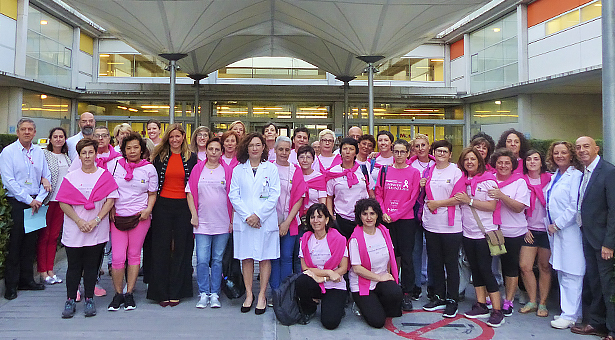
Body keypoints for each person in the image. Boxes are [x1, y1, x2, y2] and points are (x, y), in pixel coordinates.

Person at [56, 138, 118, 318]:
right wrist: (79, 221)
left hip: (96, 228)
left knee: (92, 266)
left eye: (91, 152)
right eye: (84, 153)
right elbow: (63, 203)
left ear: (96, 154)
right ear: (79, 156)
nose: (88, 156)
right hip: (75, 228)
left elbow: (110, 199)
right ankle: (70, 299)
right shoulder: (71, 176)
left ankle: (89, 298)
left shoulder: (104, 175)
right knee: (74, 266)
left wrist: (96, 220)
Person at [229, 132, 280, 315]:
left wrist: (258, 215)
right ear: (246, 148)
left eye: (258, 145)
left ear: (264, 148)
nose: (255, 148)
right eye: (251, 145)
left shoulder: (271, 169)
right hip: (245, 221)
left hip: (264, 221)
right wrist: (247, 216)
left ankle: (262, 296)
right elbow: (233, 195)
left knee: (265, 257)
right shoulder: (238, 169)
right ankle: (249, 294)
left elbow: (274, 195)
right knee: (247, 257)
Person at [147, 123, 198, 307]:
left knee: (181, 249)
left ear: (183, 137)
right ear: (167, 138)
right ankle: (160, 291)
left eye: (178, 136)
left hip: (183, 206)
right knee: (160, 248)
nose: (175, 140)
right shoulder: (159, 157)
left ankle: (178, 289)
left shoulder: (191, 158)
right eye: (171, 137)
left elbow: (194, 185)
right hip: (162, 205)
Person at [0, 118, 51, 300]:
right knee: (15, 244)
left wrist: (38, 199)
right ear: (18, 132)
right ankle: (11, 286)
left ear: (35, 132)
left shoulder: (39, 152)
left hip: (36, 203)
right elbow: (9, 181)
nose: (27, 132)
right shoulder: (9, 152)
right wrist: (29, 200)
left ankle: (27, 280)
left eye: (30, 129)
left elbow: (47, 176)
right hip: (18, 202)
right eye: (23, 129)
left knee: (30, 243)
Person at [106, 132, 157, 311]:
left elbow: (152, 193)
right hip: (118, 216)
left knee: (134, 255)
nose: (132, 151)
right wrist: (111, 208)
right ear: (124, 150)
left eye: (136, 147)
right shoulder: (114, 166)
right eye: (129, 148)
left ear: (142, 150)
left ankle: (129, 293)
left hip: (140, 217)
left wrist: (148, 210)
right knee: (118, 257)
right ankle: (118, 293)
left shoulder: (149, 168)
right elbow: (109, 190)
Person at [453, 147, 504, 328]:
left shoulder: (488, 181)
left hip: (485, 233)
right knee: (475, 269)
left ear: (479, 161)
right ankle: (480, 304)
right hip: (468, 233)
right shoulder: (463, 181)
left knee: (485, 270)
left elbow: (491, 206)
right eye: (466, 159)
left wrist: (470, 201)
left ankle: (497, 310)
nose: (469, 162)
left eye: (473, 159)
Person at [571, 136, 615, 340]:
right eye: (578, 147)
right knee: (595, 283)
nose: (582, 150)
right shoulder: (584, 172)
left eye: (586, 146)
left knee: (608, 286)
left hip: (603, 242)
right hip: (588, 238)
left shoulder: (608, 171)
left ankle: (612, 330)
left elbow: (614, 210)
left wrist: (609, 243)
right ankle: (597, 323)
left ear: (597, 148)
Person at [187, 137, 233, 309]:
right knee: (202, 259)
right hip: (202, 223)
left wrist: (232, 221)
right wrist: (194, 215)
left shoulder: (227, 170)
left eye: (217, 149)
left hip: (222, 222)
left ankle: (215, 293)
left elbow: (233, 197)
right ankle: (203, 293)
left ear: (222, 152)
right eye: (211, 149)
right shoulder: (198, 169)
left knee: (217, 260)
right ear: (205, 151)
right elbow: (190, 193)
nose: (214, 152)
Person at [374, 139, 420, 312]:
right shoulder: (385, 170)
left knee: (407, 258)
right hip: (386, 219)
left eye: (403, 152)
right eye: (396, 151)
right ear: (392, 153)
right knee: (388, 257)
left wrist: (395, 215)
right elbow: (379, 193)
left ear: (408, 153)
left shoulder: (414, 172)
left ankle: (407, 293)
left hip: (405, 220)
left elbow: (413, 197)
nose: (399, 155)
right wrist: (384, 212)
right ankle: (390, 288)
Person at [420, 140, 464, 318]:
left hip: (451, 226)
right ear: (434, 152)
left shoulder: (456, 171)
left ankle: (452, 299)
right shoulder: (429, 170)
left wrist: (438, 203)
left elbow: (459, 197)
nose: (441, 154)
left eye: (445, 151)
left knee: (451, 264)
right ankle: (438, 296)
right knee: (435, 262)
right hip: (431, 223)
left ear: (450, 154)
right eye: (438, 151)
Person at [543, 141, 584, 330]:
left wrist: (558, 225)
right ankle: (567, 310)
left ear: (571, 155)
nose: (559, 156)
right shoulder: (555, 176)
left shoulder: (576, 176)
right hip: (556, 232)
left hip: (569, 230)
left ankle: (571, 315)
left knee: (572, 272)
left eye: (564, 152)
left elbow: (575, 206)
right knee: (562, 270)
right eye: (556, 153)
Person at [487, 148, 530, 317]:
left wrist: (501, 196)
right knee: (488, 266)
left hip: (513, 231)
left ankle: (508, 300)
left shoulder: (520, 182)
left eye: (507, 163)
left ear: (513, 165)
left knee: (509, 267)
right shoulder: (489, 180)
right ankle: (491, 296)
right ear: (494, 164)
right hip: (492, 230)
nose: (503, 166)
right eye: (500, 162)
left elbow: (519, 208)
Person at [349, 198, 402, 328]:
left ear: (377, 215)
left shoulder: (383, 231)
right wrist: (380, 277)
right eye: (365, 213)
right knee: (377, 322)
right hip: (362, 284)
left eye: (372, 213)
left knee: (396, 296)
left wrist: (388, 277)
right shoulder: (355, 238)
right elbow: (357, 269)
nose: (368, 217)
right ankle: (362, 303)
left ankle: (375, 301)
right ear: (359, 216)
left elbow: (389, 257)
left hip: (381, 279)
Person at [296, 203, 348, 329]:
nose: (316, 220)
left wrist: (324, 278)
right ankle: (310, 308)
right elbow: (305, 268)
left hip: (335, 283)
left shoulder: (339, 239)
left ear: (327, 219)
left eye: (319, 217)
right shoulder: (305, 239)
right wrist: (329, 273)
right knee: (301, 281)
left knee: (330, 323)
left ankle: (337, 306)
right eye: (312, 217)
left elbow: (343, 268)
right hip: (317, 281)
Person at [270, 136, 306, 290]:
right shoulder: (268, 168)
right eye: (280, 149)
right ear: (275, 150)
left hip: (290, 222)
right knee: (273, 258)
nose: (284, 153)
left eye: (286, 149)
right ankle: (274, 290)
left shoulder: (295, 170)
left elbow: (299, 198)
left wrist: (286, 223)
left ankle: (284, 294)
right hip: (270, 222)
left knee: (286, 257)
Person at [519, 150, 552, 317]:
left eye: (536, 159)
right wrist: (524, 227)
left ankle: (543, 303)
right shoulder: (521, 180)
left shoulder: (551, 179)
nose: (532, 162)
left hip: (547, 230)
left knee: (544, 267)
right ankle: (532, 300)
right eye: (529, 159)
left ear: (541, 162)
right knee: (525, 266)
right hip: (528, 229)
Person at [38, 127, 71, 285]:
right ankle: (42, 271)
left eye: (61, 136)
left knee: (54, 237)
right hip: (47, 201)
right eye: (55, 136)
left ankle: (51, 270)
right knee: (44, 236)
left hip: (62, 202)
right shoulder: (44, 155)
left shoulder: (66, 157)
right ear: (50, 139)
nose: (58, 139)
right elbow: (39, 173)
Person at [326, 137, 372, 238]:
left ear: (356, 152)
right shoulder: (333, 172)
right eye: (345, 149)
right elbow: (329, 196)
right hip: (341, 219)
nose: (347, 152)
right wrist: (331, 217)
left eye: (351, 149)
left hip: (362, 218)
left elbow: (370, 192)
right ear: (340, 152)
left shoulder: (363, 169)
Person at [408, 134, 435, 301]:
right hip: (414, 211)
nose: (420, 149)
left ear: (429, 146)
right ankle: (416, 285)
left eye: (423, 145)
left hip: (433, 211)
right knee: (415, 251)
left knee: (433, 252)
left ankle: (433, 286)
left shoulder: (437, 163)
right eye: (417, 146)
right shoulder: (410, 165)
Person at [297, 145, 327, 214]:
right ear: (297, 160)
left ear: (313, 160)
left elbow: (322, 201)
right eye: (301, 157)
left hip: (314, 215)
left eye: (308, 157)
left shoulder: (319, 178)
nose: (305, 160)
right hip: (296, 215)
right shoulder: (294, 176)